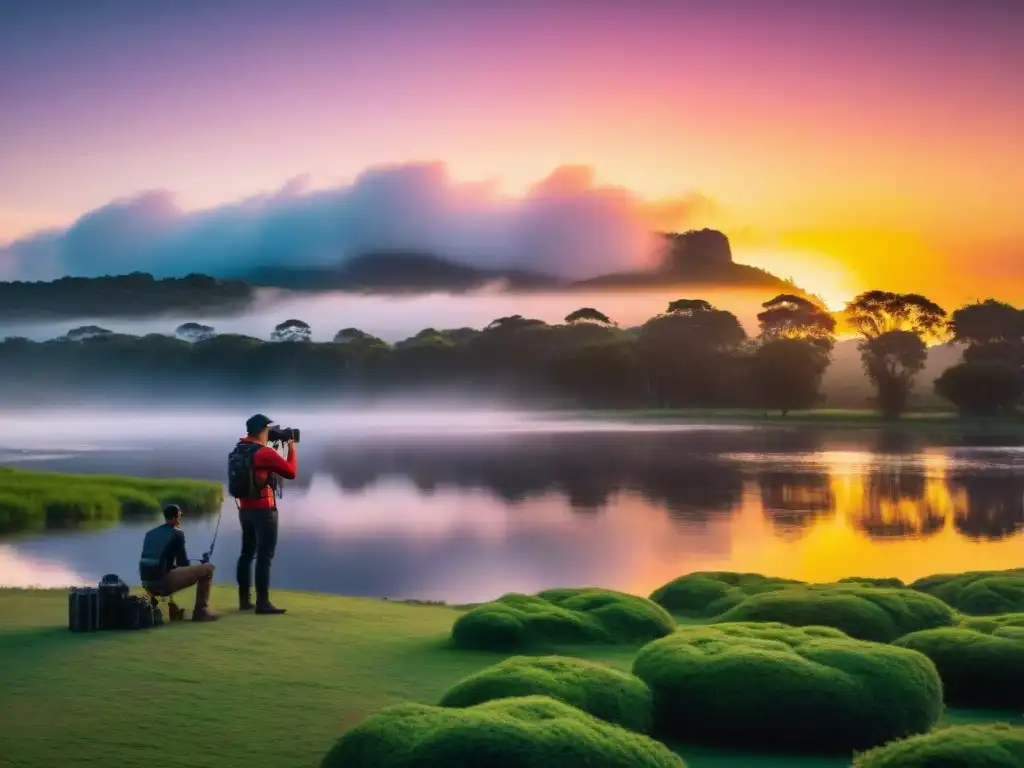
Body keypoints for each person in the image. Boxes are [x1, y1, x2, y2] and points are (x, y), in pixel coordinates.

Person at [228, 413, 297, 614]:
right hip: (264, 511)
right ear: (261, 430)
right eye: (267, 429)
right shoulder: (264, 453)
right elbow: (291, 472)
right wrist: (291, 448)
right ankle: (262, 603)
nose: (269, 432)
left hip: (245, 510)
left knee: (246, 554)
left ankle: (243, 601)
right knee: (264, 556)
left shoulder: (239, 449)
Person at [138, 504, 218, 621]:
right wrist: (203, 563)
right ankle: (201, 611)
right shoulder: (177, 533)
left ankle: (172, 608)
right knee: (208, 569)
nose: (179, 520)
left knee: (171, 570)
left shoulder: (150, 533)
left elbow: (161, 560)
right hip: (162, 582)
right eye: (179, 517)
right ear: (176, 517)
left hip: (146, 583)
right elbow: (183, 564)